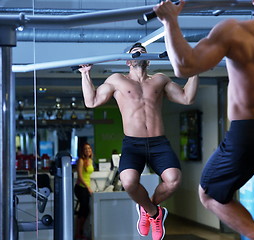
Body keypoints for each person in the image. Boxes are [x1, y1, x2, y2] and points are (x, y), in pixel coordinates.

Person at [154, 0, 254, 240]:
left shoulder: (234, 31)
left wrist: (170, 22)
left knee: (210, 193)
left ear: (253, 0)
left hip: (247, 132)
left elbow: (185, 66)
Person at [79, 42, 199, 240]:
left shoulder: (160, 80)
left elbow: (187, 98)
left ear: (148, 59)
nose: (138, 54)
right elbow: (91, 101)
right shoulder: (117, 80)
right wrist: (85, 74)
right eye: (134, 53)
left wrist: (195, 72)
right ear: (128, 61)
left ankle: (147, 209)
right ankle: (154, 213)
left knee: (174, 180)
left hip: (159, 143)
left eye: (142, 53)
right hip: (133, 144)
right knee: (128, 182)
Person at [74, 143, 94, 240]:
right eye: (85, 149)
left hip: (86, 188)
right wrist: (88, 187)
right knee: (83, 211)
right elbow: (80, 176)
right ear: (82, 151)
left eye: (89, 148)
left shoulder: (90, 160)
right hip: (80, 188)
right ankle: (78, 233)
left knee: (85, 211)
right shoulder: (80, 161)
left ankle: (80, 232)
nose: (87, 150)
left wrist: (89, 187)